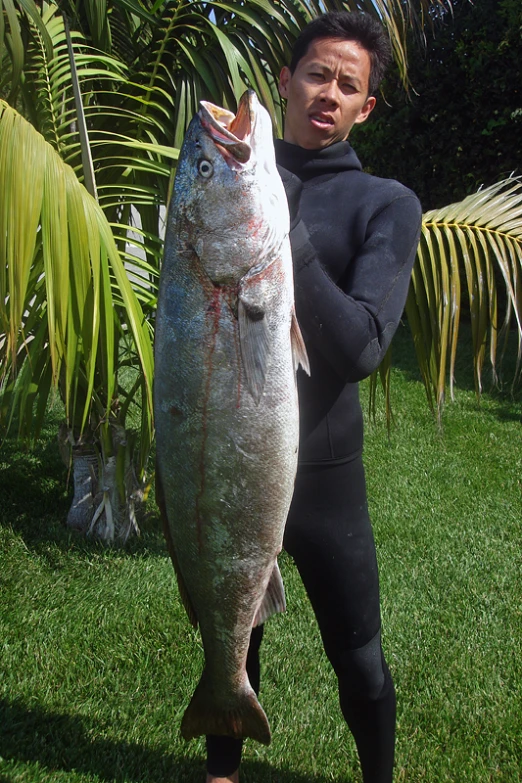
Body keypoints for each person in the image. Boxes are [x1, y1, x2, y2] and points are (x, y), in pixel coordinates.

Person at [206, 11, 422, 783]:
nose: (328, 92)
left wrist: (279, 225)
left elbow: (362, 344)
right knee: (234, 634)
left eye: (349, 84)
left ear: (365, 107)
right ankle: (220, 773)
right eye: (317, 73)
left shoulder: (386, 204)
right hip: (233, 458)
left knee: (359, 658)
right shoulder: (236, 178)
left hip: (326, 480)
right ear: (287, 82)